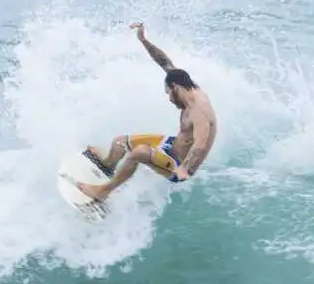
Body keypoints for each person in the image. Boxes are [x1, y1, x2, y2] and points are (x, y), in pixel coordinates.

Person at [78, 22, 218, 204]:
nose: (168, 98)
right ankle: (108, 165)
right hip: (172, 145)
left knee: (139, 152)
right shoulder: (185, 85)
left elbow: (200, 143)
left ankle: (102, 192)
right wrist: (143, 40)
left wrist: (184, 168)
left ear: (175, 87)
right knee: (119, 142)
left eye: (168, 93)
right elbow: (164, 62)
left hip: (180, 165)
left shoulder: (200, 109)